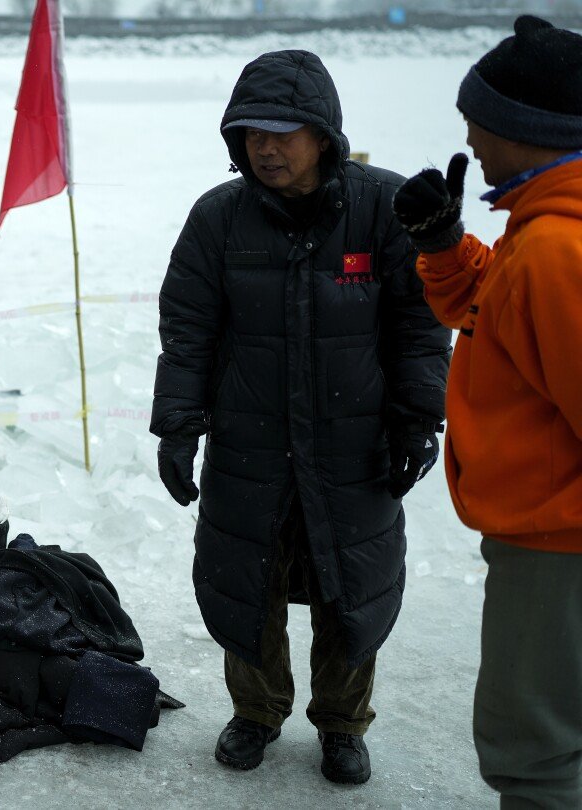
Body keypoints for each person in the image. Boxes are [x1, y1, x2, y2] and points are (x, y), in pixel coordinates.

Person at [150, 50, 451, 786]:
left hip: (355, 446)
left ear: (323, 134)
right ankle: (256, 713)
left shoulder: (382, 208)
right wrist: (179, 426)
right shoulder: (218, 217)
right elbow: (188, 328)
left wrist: (418, 419)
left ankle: (343, 724)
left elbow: (420, 325)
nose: (266, 146)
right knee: (244, 581)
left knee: (348, 588)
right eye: (252, 131)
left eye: (284, 131)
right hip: (250, 444)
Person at [393, 15, 582, 808]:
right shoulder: (539, 227)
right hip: (550, 531)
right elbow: (490, 313)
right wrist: (444, 244)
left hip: (557, 542)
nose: (468, 134)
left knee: (532, 746)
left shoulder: (555, 250)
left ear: (527, 131)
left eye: (481, 119)